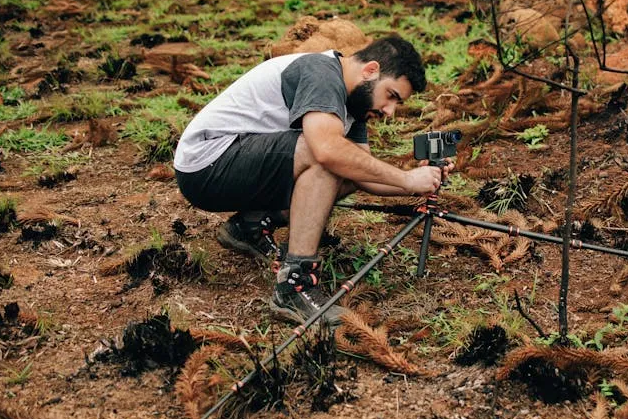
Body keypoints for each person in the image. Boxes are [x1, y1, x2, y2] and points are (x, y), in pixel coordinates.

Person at [173, 36, 449, 326]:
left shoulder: (353, 104)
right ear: (370, 70)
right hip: (206, 164)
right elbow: (327, 151)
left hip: (230, 166)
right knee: (327, 157)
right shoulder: (322, 74)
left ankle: (249, 225)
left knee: (351, 162)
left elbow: (364, 173)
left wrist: (424, 181)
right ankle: (294, 287)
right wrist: (406, 179)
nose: (389, 111)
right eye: (391, 96)